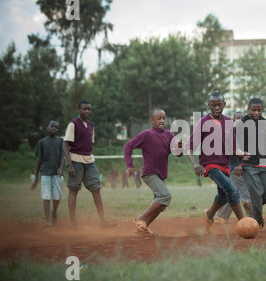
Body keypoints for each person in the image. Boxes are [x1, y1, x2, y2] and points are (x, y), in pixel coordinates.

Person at [185, 91, 248, 233]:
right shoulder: (202, 122)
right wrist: (195, 164)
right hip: (210, 165)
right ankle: (244, 223)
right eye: (213, 105)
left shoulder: (228, 122)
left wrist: (241, 154)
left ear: (224, 104)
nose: (217, 108)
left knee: (224, 195)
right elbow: (189, 147)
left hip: (225, 166)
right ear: (209, 105)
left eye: (220, 105)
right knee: (232, 190)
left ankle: (209, 215)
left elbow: (232, 148)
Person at [124, 107, 183, 236]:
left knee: (161, 204)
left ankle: (143, 228)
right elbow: (128, 146)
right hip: (150, 173)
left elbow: (178, 154)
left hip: (161, 175)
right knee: (165, 196)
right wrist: (130, 165)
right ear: (152, 120)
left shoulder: (169, 135)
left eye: (163, 118)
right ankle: (141, 219)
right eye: (158, 118)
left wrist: (179, 148)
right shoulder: (146, 135)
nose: (162, 120)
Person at [63, 100, 116, 229]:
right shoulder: (73, 124)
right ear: (78, 110)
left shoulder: (91, 125)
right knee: (74, 189)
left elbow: (89, 143)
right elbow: (65, 144)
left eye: (89, 109)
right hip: (75, 159)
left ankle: (103, 221)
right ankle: (73, 223)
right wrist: (69, 164)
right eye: (84, 109)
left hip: (89, 160)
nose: (87, 111)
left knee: (96, 188)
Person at [234, 98, 266, 230]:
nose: (256, 112)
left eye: (259, 110)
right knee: (257, 193)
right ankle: (258, 222)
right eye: (253, 110)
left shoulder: (265, 123)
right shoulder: (241, 124)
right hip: (248, 166)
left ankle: (251, 206)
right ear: (248, 110)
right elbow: (232, 145)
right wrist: (237, 163)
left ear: (262, 110)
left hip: (263, 164)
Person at [215, 111, 252, 223]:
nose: (240, 119)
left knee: (234, 192)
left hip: (245, 167)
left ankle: (222, 216)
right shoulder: (230, 133)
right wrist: (238, 162)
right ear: (233, 120)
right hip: (234, 167)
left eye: (242, 117)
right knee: (242, 192)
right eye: (237, 118)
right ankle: (251, 218)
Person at [31, 120, 64, 227]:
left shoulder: (60, 141)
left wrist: (60, 168)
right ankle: (48, 221)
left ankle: (54, 212)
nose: (54, 128)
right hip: (45, 172)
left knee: (57, 197)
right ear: (47, 127)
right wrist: (36, 176)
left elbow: (62, 157)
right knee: (46, 196)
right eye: (52, 126)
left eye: (56, 127)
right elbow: (39, 159)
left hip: (57, 173)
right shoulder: (41, 142)